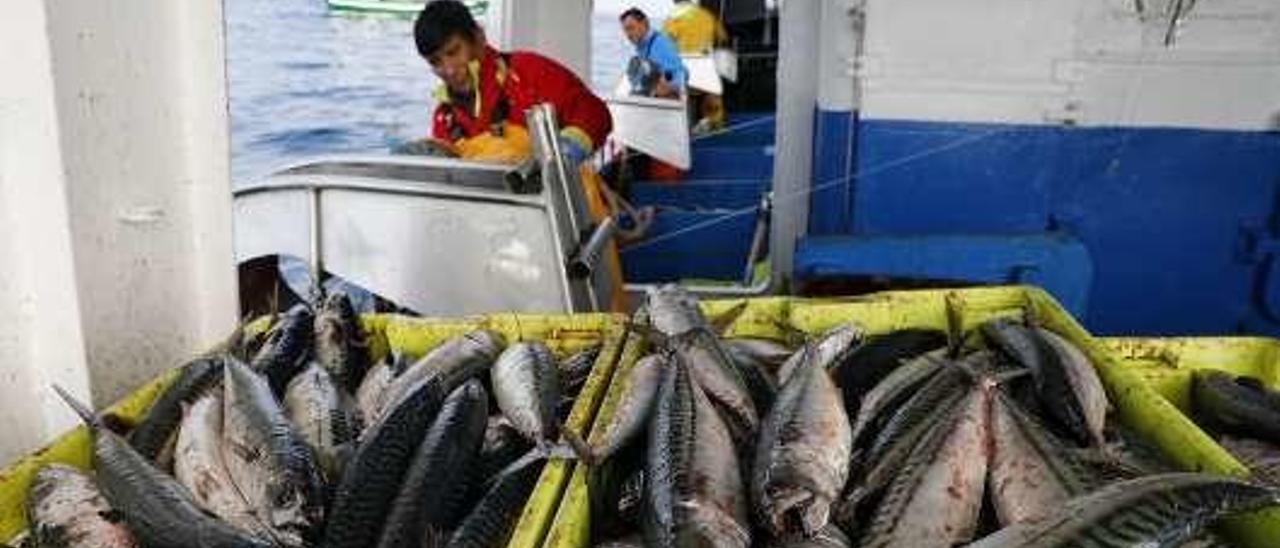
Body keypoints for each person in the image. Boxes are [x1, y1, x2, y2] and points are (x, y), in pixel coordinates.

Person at [411, 0, 628, 309]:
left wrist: (563, 151)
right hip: (501, 243)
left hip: (566, 227)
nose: (447, 69)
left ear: (479, 38)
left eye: (453, 52)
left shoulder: (528, 72)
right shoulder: (444, 120)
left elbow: (595, 114)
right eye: (435, 61)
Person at [664, 0, 729, 132]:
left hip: (686, 68)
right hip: (705, 66)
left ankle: (685, 129)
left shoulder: (673, 19)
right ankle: (713, 124)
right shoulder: (707, 16)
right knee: (712, 100)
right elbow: (723, 37)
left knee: (683, 98)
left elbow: (665, 44)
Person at [619, 8, 686, 99]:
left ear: (645, 23)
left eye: (631, 28)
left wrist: (670, 85)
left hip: (667, 104)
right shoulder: (642, 45)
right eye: (625, 30)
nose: (628, 34)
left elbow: (681, 74)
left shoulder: (660, 44)